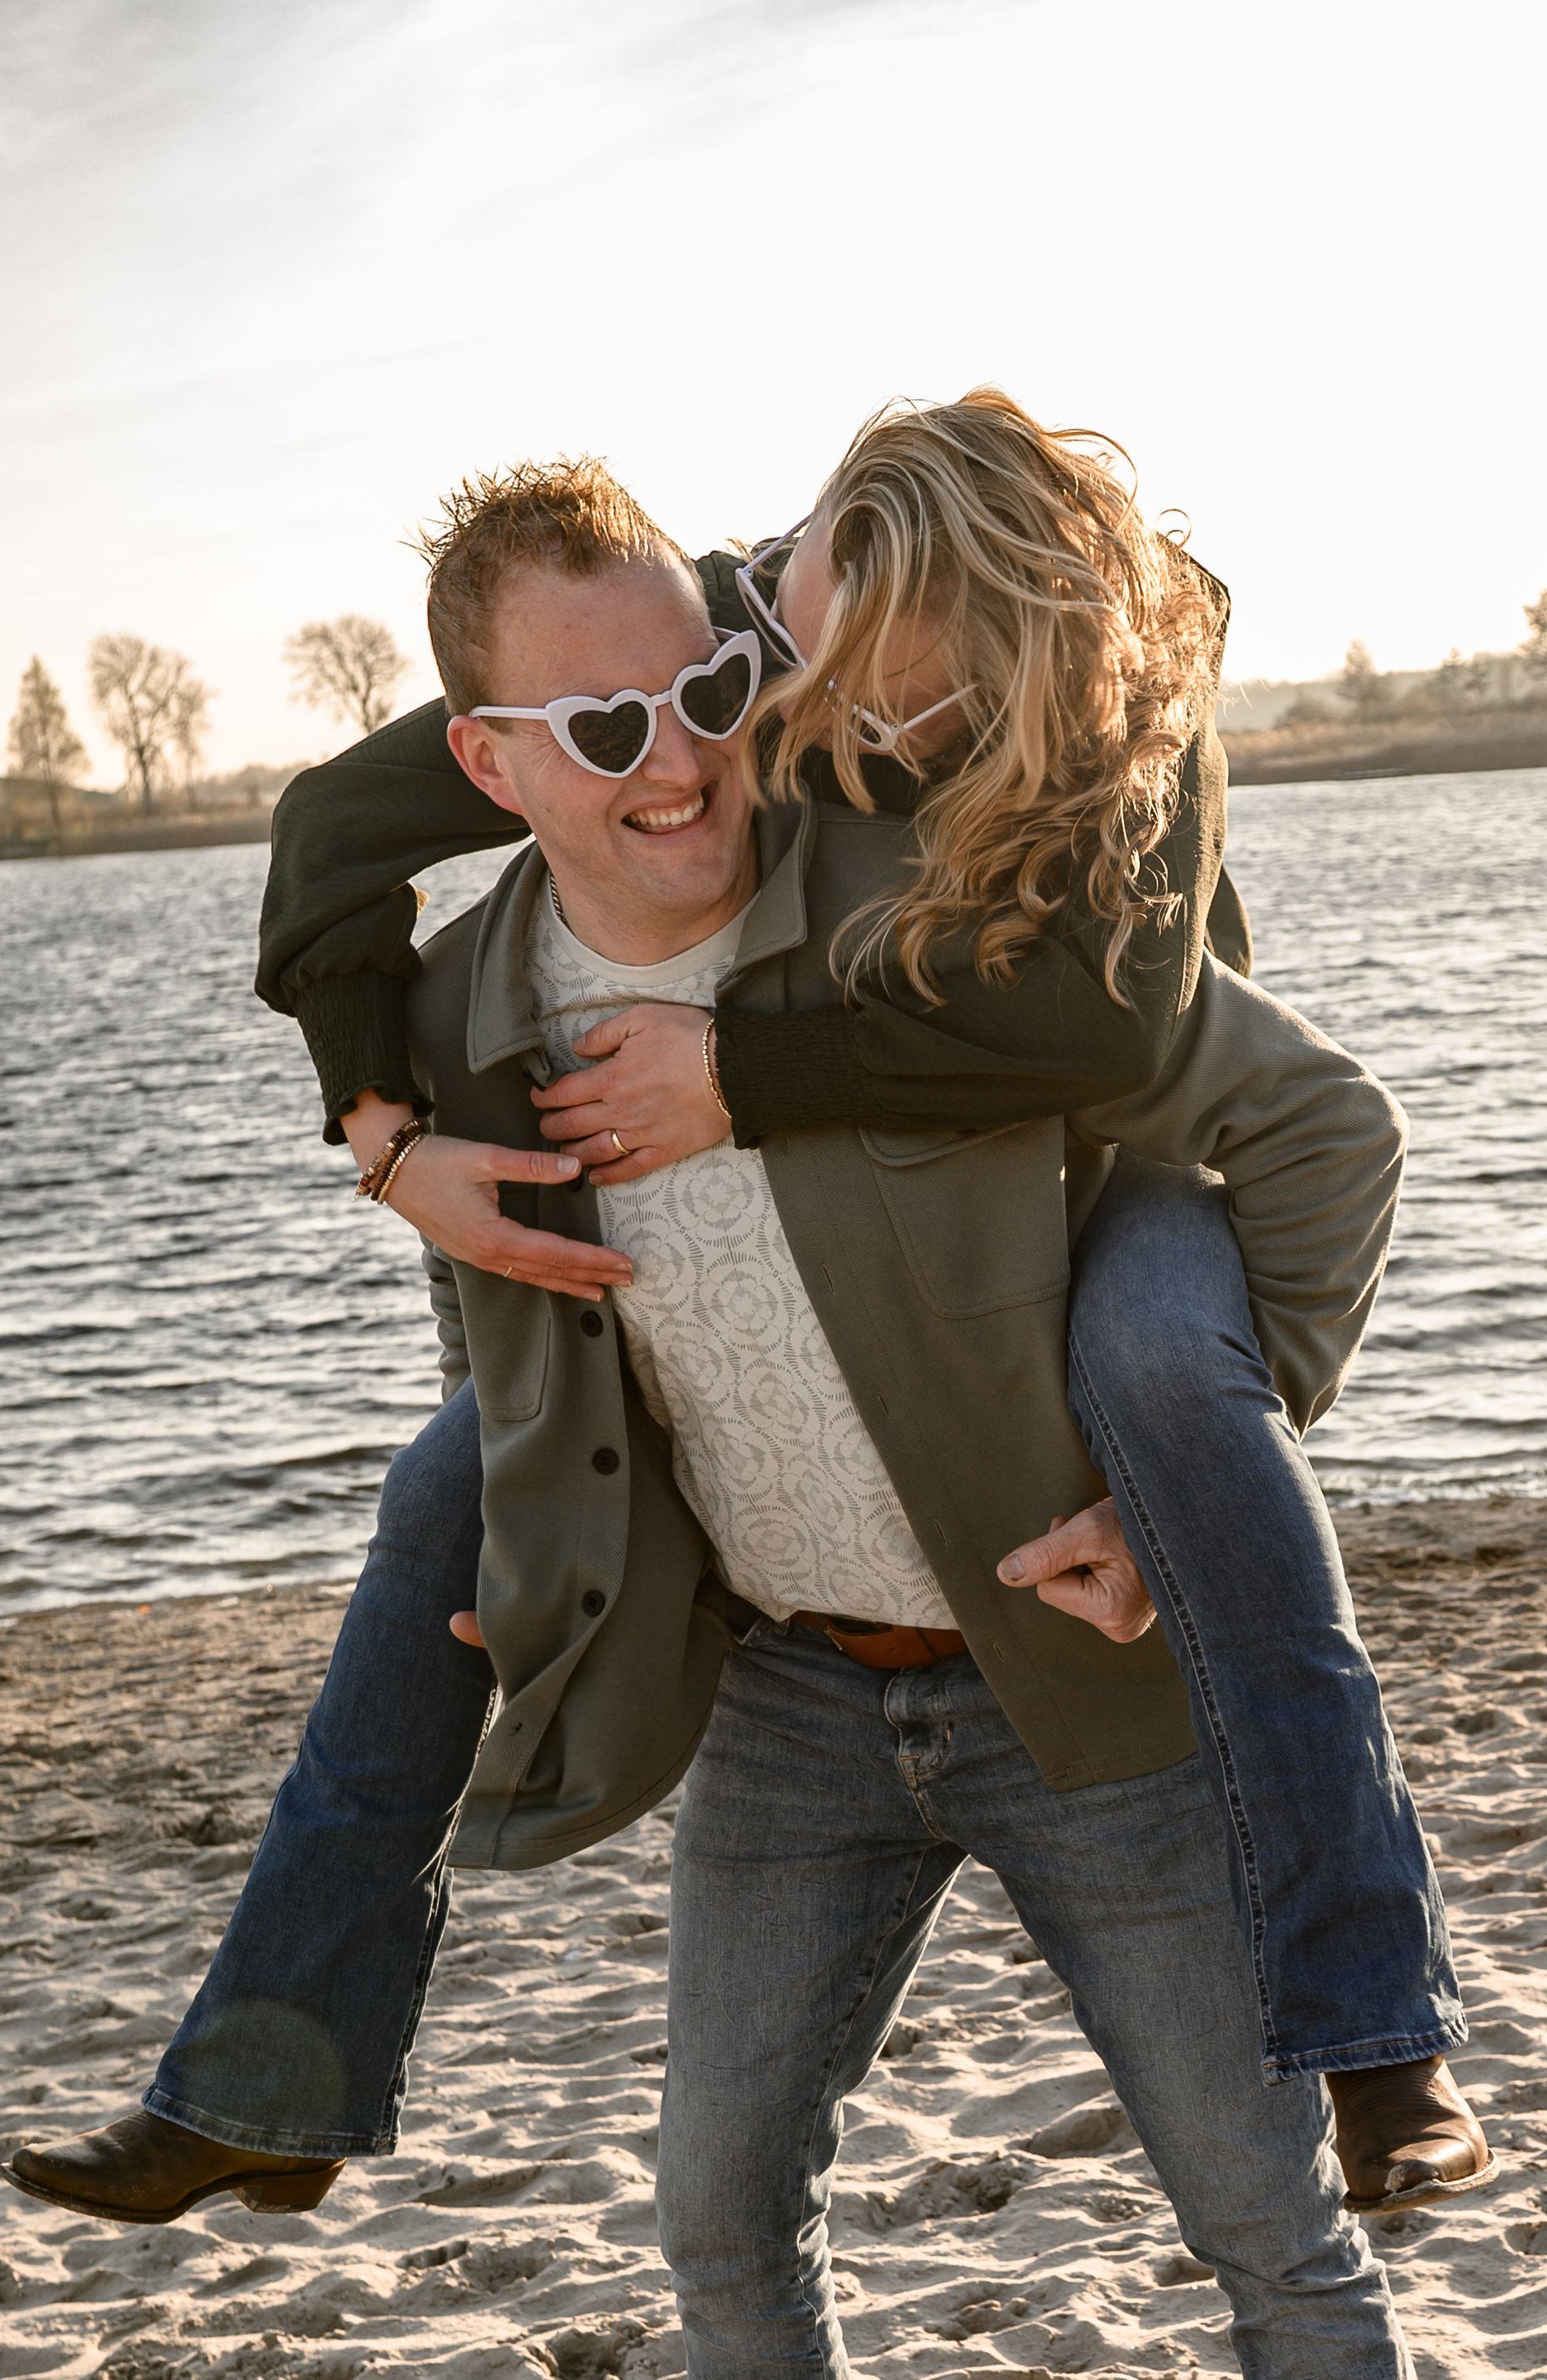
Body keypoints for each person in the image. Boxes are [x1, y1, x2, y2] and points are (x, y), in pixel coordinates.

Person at [12, 466, 1429, 2372]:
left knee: (1273, 2231)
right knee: (716, 2226)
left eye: (703, 696)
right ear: (494, 764)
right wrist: (397, 1178)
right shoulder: (460, 1021)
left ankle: (1389, 2041)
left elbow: (1309, 1121)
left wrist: (1194, 1479)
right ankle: (265, 2091)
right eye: (602, 727)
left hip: (1078, 1685)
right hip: (787, 1703)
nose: (675, 754)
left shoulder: (953, 907)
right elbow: (501, 1324)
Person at [256, 395, 1483, 2172]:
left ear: (992, 676)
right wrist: (379, 1129)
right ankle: (263, 2075)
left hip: (1129, 1172)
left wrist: (745, 1075)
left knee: (1173, 1394)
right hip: (856, 1469)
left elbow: (1116, 1027)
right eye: (793, 655)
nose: (791, 728)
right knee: (452, 1477)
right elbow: (332, 828)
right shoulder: (751, 629)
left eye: (875, 698)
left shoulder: (1126, 699)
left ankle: (1383, 2034)